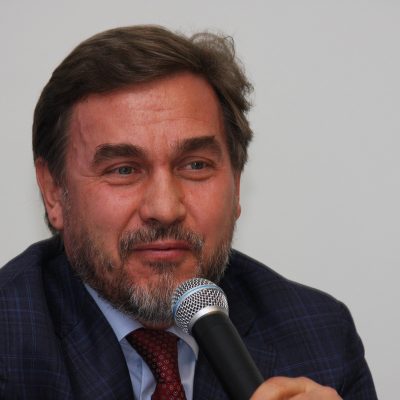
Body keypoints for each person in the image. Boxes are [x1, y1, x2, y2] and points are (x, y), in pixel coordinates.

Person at [0, 25, 377, 399]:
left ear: (237, 183)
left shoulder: (321, 338)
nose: (165, 209)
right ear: (53, 191)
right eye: (124, 170)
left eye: (196, 165)